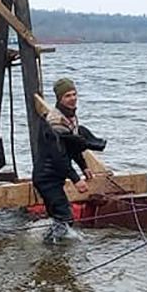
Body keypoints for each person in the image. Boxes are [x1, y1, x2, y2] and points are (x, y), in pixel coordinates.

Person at [32, 78, 106, 242]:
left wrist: (83, 166)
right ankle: (51, 248)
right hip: (46, 178)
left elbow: (71, 146)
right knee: (65, 216)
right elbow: (59, 155)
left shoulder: (70, 117)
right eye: (67, 96)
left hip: (56, 175)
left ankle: (52, 247)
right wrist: (75, 179)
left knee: (60, 218)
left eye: (74, 94)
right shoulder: (56, 122)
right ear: (59, 99)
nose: (73, 98)